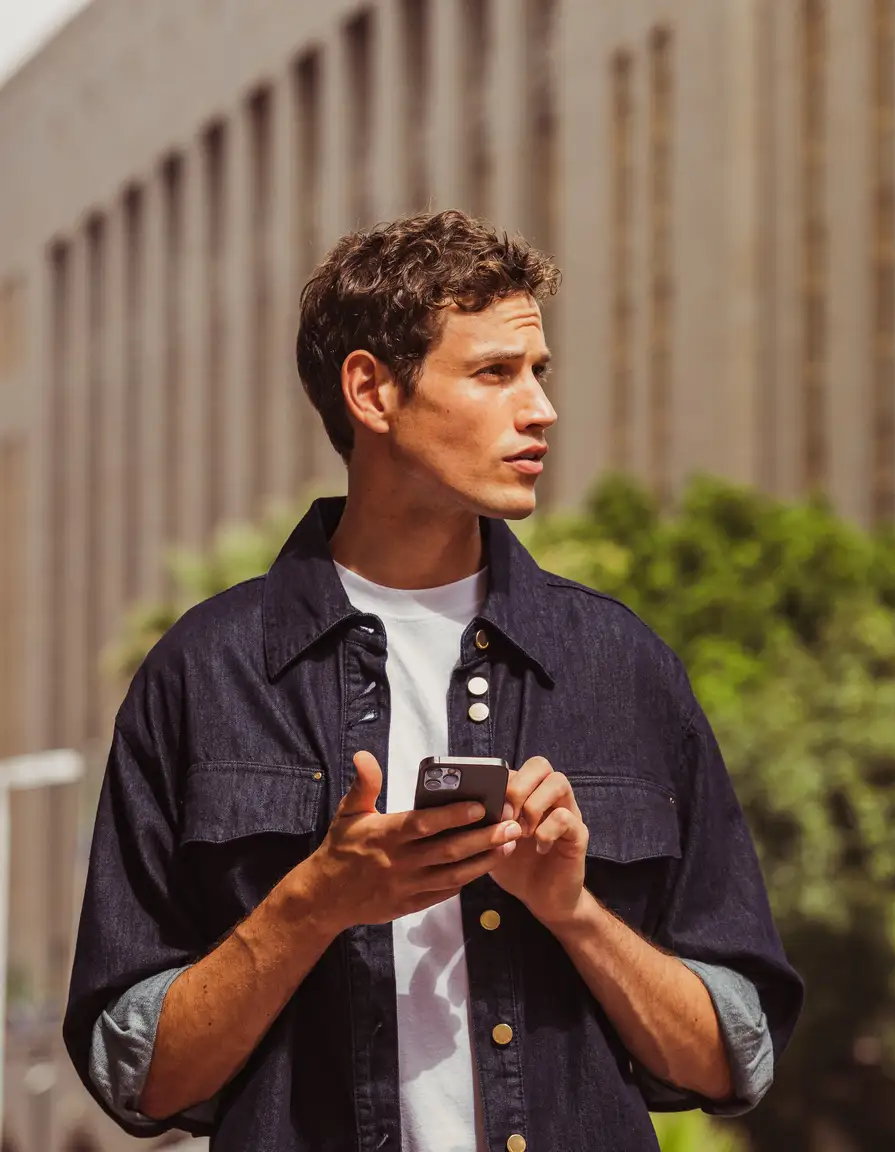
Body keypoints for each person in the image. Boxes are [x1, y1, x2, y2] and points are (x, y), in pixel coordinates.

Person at [63, 211, 803, 1152]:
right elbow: (139, 1080)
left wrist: (570, 908)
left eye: (538, 373)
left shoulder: (621, 666)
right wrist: (317, 899)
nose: (540, 409)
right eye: (495, 373)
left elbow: (730, 1062)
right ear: (372, 390)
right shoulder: (205, 673)